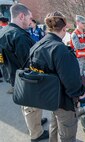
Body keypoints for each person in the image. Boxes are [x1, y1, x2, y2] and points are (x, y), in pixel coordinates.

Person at [29, 11, 85, 142]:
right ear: (64, 28)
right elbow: (72, 83)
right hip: (64, 101)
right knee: (67, 134)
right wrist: (80, 94)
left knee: (54, 123)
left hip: (48, 97)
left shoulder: (36, 45)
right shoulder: (60, 50)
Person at [0, 4, 48, 142]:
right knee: (31, 106)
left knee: (26, 105)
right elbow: (30, 62)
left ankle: (34, 124)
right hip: (25, 79)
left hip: (12, 76)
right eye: (29, 18)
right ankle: (36, 133)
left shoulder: (4, 31)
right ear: (22, 16)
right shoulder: (19, 36)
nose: (30, 21)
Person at [70, 15, 85, 89]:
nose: (84, 25)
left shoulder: (84, 33)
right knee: (78, 75)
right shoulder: (74, 34)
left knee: (84, 74)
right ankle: (78, 90)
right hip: (78, 58)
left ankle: (84, 89)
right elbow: (77, 46)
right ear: (77, 23)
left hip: (84, 57)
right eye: (83, 23)